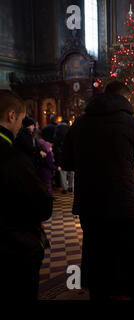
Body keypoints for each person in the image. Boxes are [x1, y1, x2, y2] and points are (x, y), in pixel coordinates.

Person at [62, 81, 134, 300]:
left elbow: (66, 163)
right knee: (126, 255)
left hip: (89, 204)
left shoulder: (79, 122)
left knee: (96, 254)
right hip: (121, 202)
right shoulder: (131, 122)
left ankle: (98, 294)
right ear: (126, 99)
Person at [0, 90, 53, 300]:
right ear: (12, 116)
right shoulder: (12, 157)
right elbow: (42, 206)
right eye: (21, 120)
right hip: (13, 250)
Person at [53, 119, 73, 194]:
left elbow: (55, 140)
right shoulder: (69, 129)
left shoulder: (57, 129)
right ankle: (71, 187)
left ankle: (64, 188)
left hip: (60, 152)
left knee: (63, 171)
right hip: (70, 152)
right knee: (71, 170)